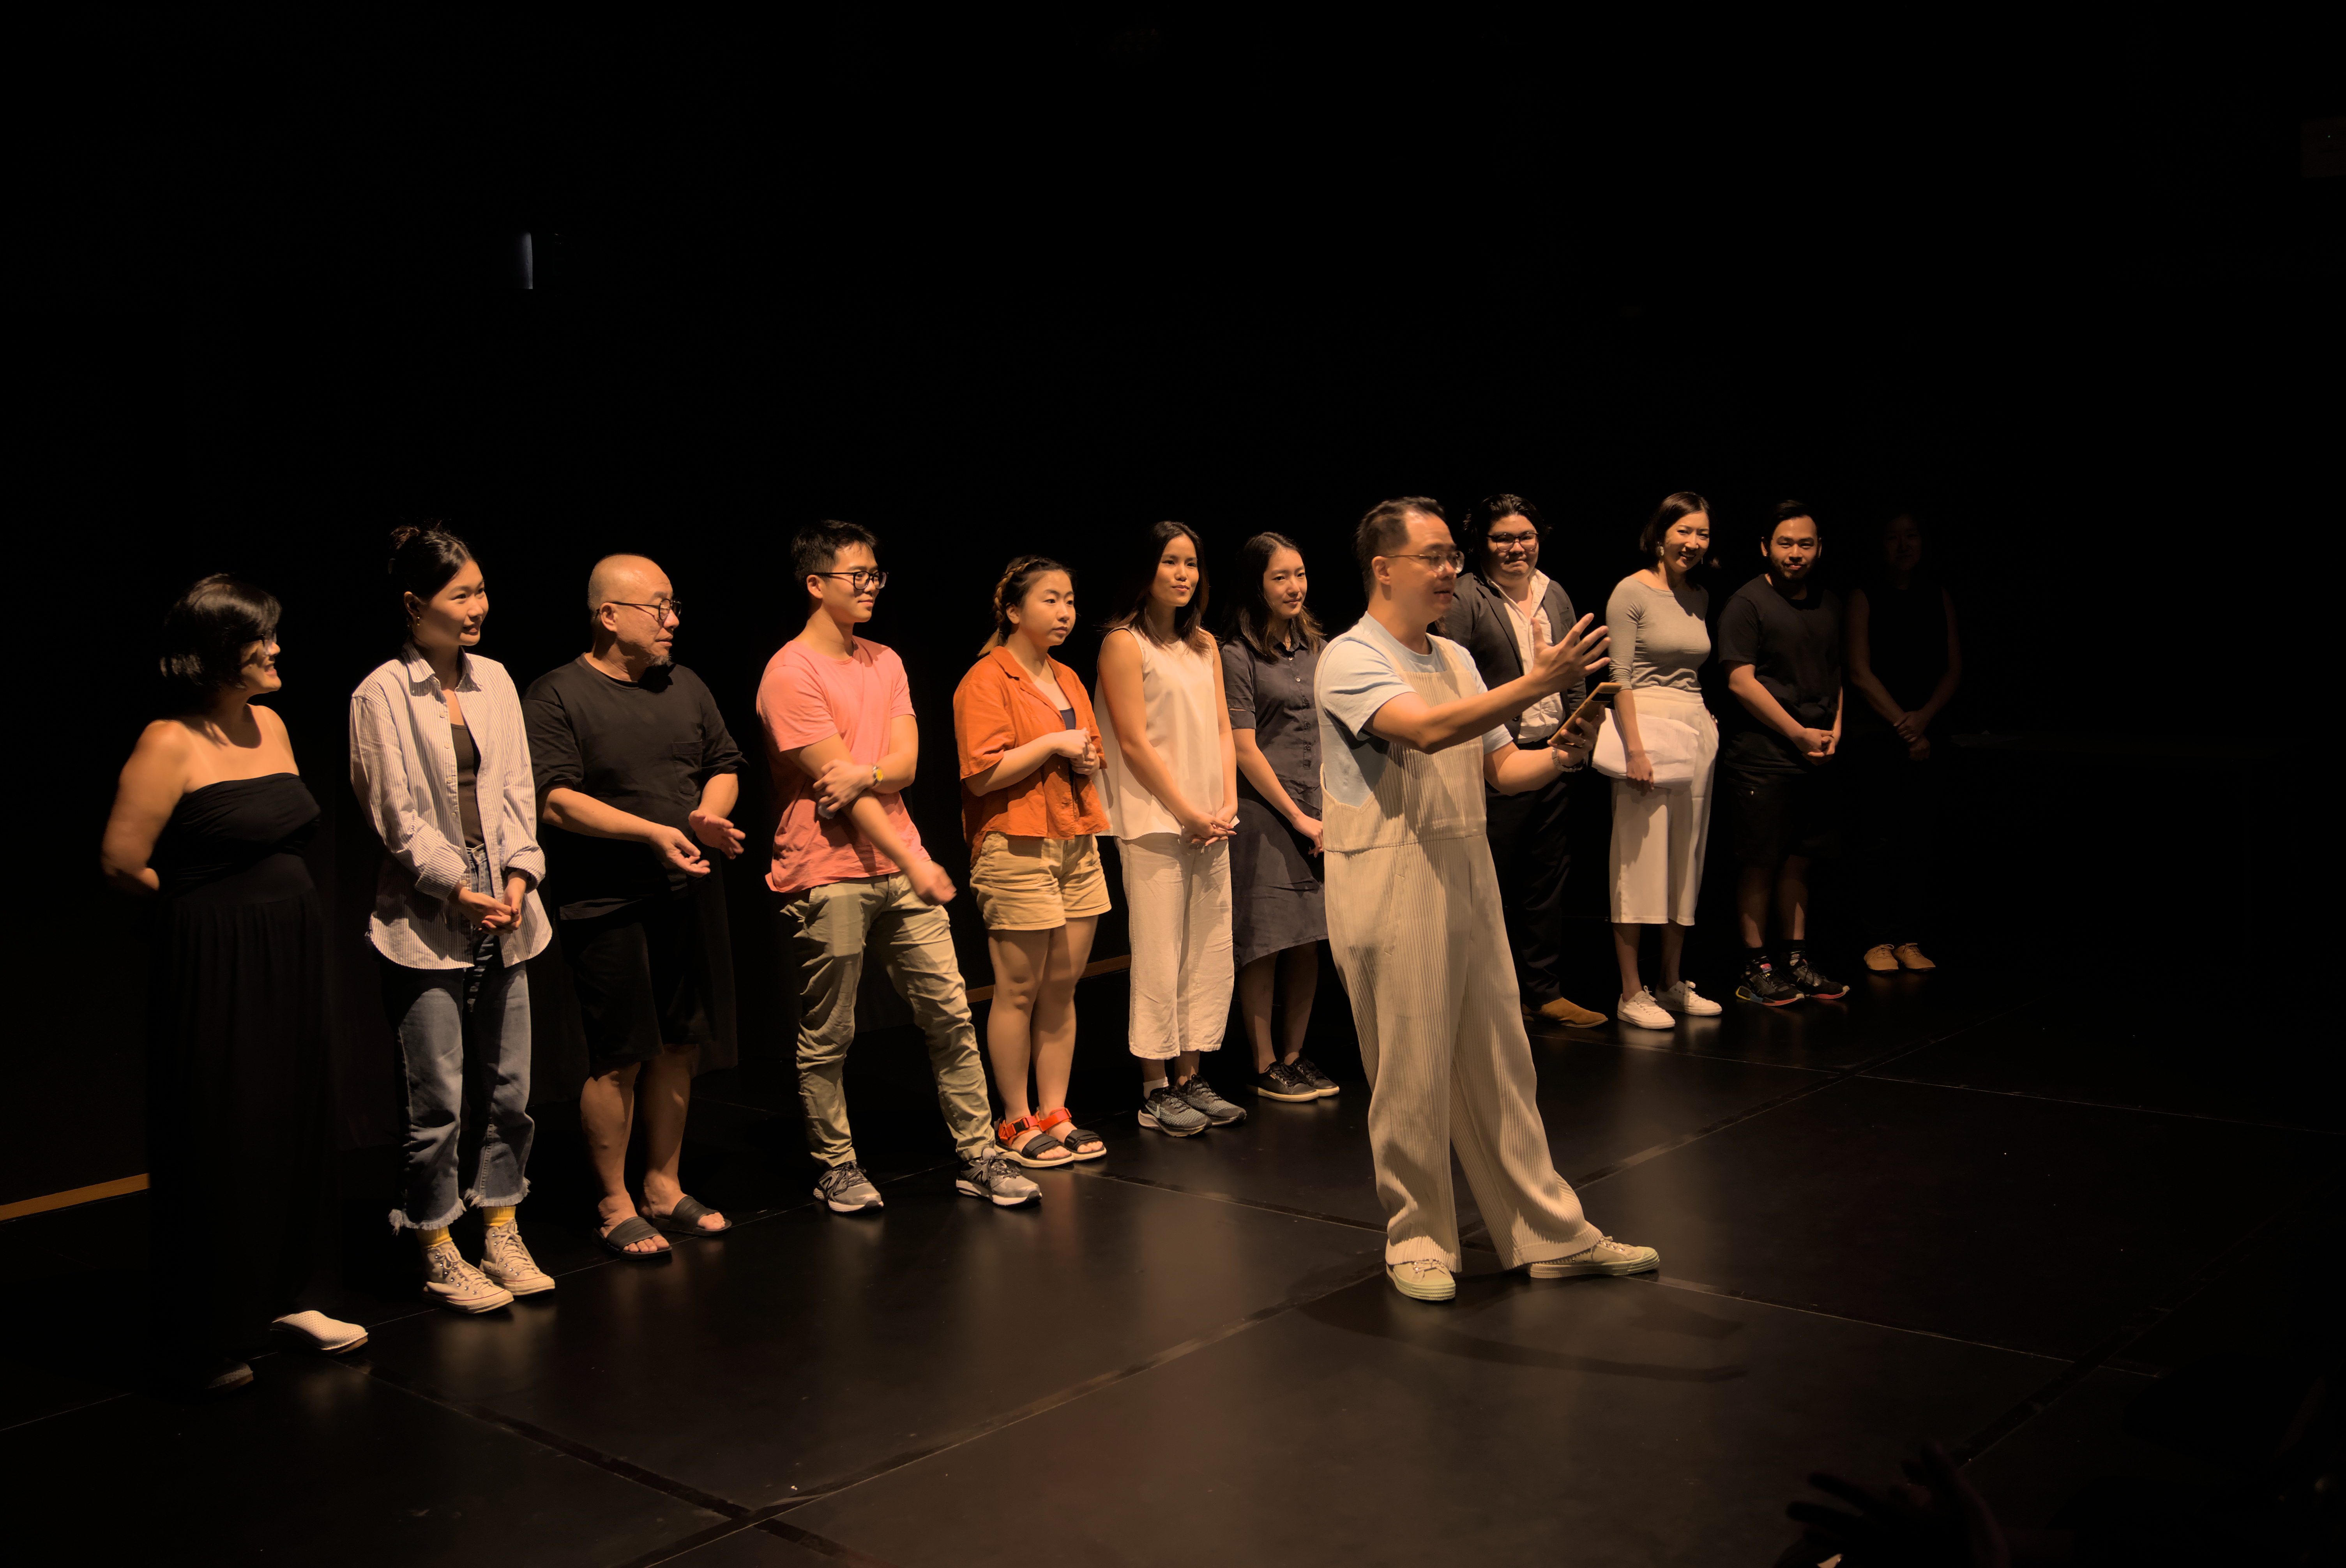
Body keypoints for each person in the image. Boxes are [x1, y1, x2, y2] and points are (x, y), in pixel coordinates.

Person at [1316, 498, 1660, 1303]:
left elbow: (1503, 771)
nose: (1448, 573)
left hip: (1463, 867)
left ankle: (1546, 1231)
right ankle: (1418, 1237)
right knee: (1409, 1070)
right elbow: (1426, 732)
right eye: (1433, 558)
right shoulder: (1349, 656)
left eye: (1450, 559)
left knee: (1502, 1060)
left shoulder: (1458, 658)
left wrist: (1564, 747)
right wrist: (1536, 681)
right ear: (1383, 566)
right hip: (1386, 874)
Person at [100, 576, 367, 1393]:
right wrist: (203, 915)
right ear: (221, 653)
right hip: (216, 959)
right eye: (263, 639)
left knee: (292, 1117)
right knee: (224, 1129)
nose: (279, 649)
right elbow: (121, 861)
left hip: (291, 947)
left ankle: (284, 1297)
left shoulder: (274, 725)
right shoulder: (167, 742)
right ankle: (203, 1330)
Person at [758, 522, 1039, 1213]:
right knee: (832, 1033)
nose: (872, 586)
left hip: (897, 863)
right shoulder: (789, 672)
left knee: (948, 1010)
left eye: (876, 574)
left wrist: (871, 775)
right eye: (858, 575)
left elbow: (906, 766)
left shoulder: (885, 660)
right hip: (827, 871)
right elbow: (838, 792)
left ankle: (979, 1151)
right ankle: (837, 1164)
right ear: (816, 583)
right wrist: (914, 859)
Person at [350, 525, 555, 1312]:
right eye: (461, 593)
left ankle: (501, 1223)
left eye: (480, 590)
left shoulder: (496, 681)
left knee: (511, 1090)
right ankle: (436, 1240)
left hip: (508, 912)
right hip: (426, 922)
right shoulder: (378, 694)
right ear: (414, 604)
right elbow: (395, 818)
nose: (479, 606)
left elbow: (516, 793)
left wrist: (515, 875)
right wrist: (457, 886)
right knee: (436, 1098)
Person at [523, 554, 745, 1259]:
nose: (674, 619)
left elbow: (723, 765)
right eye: (660, 606)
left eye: (674, 605)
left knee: (681, 1043)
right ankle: (614, 1199)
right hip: (606, 901)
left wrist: (707, 815)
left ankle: (663, 1183)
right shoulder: (558, 693)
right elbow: (555, 798)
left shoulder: (686, 684)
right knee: (620, 1054)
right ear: (609, 614)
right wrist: (652, 831)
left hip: (685, 892)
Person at [954, 555, 1114, 1164]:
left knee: (1061, 987)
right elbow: (980, 776)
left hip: (1075, 838)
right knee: (1018, 989)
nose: (1065, 612)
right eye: (1051, 600)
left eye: (1070, 600)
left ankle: (1055, 1111)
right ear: (1014, 611)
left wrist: (1085, 758)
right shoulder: (986, 680)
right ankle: (1014, 1119)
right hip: (1016, 843)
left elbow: (1091, 749)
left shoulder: (1067, 677)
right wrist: (1051, 742)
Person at [1095, 521, 1244, 1136]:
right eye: (1170, 563)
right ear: (1145, 571)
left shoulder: (1205, 645)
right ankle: (1155, 1087)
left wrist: (1226, 802)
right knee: (1160, 954)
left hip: (1212, 820)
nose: (1183, 575)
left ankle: (1192, 1074)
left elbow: (1220, 730)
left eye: (1191, 564)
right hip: (1156, 820)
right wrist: (1185, 809)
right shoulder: (1123, 643)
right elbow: (1132, 741)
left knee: (1208, 954)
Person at [1443, 494, 1606, 1029]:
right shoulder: (1467, 596)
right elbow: (1452, 678)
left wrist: (1579, 728)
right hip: (1492, 762)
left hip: (1551, 754)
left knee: (1546, 883)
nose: (1516, 548)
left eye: (1525, 537)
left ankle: (1543, 991)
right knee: (1487, 885)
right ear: (1482, 543)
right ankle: (1481, 998)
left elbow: (1575, 666)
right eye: (1502, 538)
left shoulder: (1552, 592)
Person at [1717, 501, 1850, 1006]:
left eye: (1806, 544)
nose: (1795, 554)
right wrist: (1798, 734)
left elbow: (1839, 675)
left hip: (1816, 754)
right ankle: (1757, 966)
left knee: (1801, 860)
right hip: (1763, 754)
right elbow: (1740, 681)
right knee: (1760, 861)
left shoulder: (1829, 603)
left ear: (1820, 549)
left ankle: (1796, 960)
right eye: (1785, 544)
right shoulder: (1747, 604)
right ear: (1765, 549)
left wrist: (1833, 731)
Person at [1222, 531, 1337, 1102]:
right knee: (1267, 940)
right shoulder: (1237, 655)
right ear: (1256, 585)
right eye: (1280, 577)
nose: (1294, 587)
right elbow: (1245, 749)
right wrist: (1296, 816)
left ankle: (1296, 1055)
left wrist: (1327, 810)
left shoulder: (1320, 648)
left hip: (1319, 809)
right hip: (1267, 811)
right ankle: (1265, 1062)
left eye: (1300, 574)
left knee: (1309, 939)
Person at [1603, 493, 1725, 1029]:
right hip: (1645, 730)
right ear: (1661, 535)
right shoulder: (1631, 592)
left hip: (1694, 729)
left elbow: (1694, 670)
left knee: (1685, 860)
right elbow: (1619, 677)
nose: (1694, 543)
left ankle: (1671, 983)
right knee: (1639, 860)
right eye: (1685, 531)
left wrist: (1707, 726)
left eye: (1702, 534)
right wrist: (1635, 749)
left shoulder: (1699, 596)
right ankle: (1632, 992)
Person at [1844, 510, 1961, 973]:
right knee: (1877, 838)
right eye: (1893, 537)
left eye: (1911, 536)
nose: (1903, 545)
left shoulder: (1938, 595)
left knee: (1918, 838)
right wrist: (1902, 724)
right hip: (1877, 734)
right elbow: (1858, 670)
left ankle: (1908, 937)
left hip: (1928, 731)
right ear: (1880, 545)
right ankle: (1875, 939)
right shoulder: (1863, 595)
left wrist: (1923, 720)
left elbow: (1953, 667)